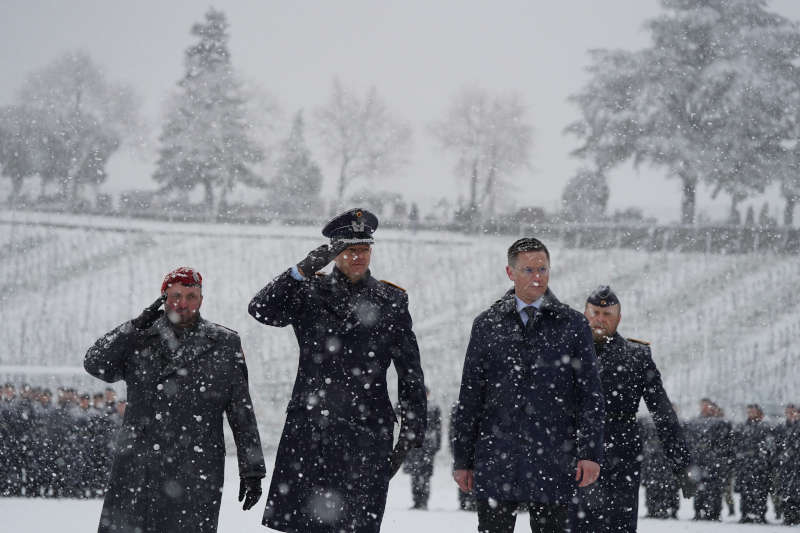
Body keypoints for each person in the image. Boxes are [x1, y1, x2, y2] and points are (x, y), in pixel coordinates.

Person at [248, 208, 427, 533]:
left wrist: (410, 434)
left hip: (366, 435)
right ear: (333, 252)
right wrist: (299, 271)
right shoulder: (307, 292)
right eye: (349, 249)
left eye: (365, 248)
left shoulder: (391, 300)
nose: (358, 256)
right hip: (311, 430)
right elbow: (261, 309)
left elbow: (410, 370)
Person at [84, 267, 266, 533]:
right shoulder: (138, 338)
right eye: (176, 295)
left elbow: (241, 411)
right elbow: (95, 364)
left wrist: (252, 470)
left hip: (196, 468)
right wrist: (132, 326)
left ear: (202, 299)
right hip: (140, 466)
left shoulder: (225, 343)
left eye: (191, 296)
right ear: (163, 298)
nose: (183, 303)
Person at [452, 237, 604, 533]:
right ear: (510, 273)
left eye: (543, 269)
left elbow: (590, 394)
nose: (537, 277)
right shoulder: (487, 324)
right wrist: (463, 459)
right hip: (497, 456)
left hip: (554, 456)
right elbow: (470, 396)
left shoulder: (573, 325)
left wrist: (590, 452)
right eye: (528, 270)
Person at [571, 286, 693, 532]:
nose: (600, 320)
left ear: (619, 318)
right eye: (595, 313)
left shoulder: (636, 356)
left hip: (620, 460)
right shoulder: (564, 353)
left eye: (608, 315)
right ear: (584, 314)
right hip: (574, 456)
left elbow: (662, 411)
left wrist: (682, 463)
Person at [685, 398, 734, 521]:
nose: (705, 408)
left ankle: (714, 513)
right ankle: (698, 511)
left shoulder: (721, 423)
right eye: (703, 405)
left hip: (714, 462)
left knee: (715, 489)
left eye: (707, 406)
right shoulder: (694, 422)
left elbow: (727, 443)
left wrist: (720, 457)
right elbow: (690, 440)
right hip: (699, 461)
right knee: (699, 488)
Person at [733, 403, 774, 524]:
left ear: (758, 412)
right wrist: (740, 455)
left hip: (760, 465)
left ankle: (760, 514)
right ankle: (745, 514)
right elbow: (736, 443)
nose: (750, 414)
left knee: (761, 491)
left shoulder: (765, 427)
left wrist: (763, 457)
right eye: (749, 412)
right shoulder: (742, 427)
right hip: (745, 464)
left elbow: (770, 445)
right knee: (745, 492)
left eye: (753, 411)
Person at [403, 387, 442, 510]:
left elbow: (438, 428)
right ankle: (419, 501)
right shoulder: (417, 406)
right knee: (418, 475)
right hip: (420, 445)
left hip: (422, 445)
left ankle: (422, 501)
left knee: (422, 475)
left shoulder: (431, 408)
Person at [775, 403, 800, 525]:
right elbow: (776, 446)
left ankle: (796, 515)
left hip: (797, 465)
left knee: (796, 491)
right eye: (788, 412)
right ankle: (788, 515)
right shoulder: (782, 428)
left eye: (793, 412)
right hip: (786, 465)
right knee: (786, 491)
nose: (790, 415)